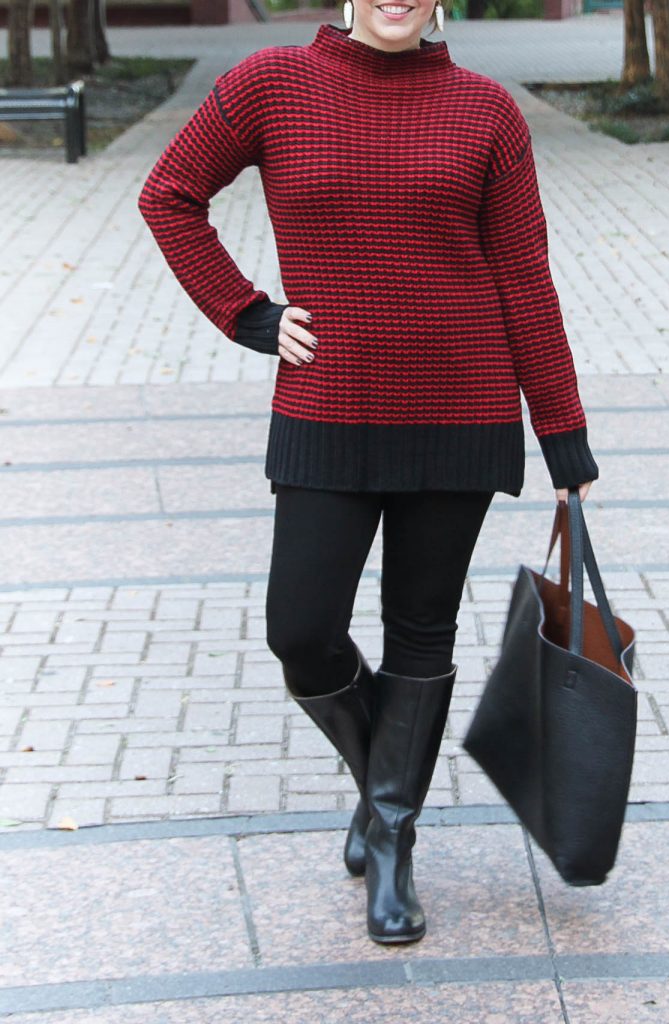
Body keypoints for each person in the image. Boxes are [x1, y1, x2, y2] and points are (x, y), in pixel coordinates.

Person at [137, 0, 597, 946]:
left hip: (459, 411)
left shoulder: (486, 112)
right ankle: (383, 778)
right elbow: (169, 194)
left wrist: (563, 436)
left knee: (419, 632)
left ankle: (391, 832)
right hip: (326, 407)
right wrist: (248, 313)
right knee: (299, 629)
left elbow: (524, 277)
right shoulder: (270, 83)